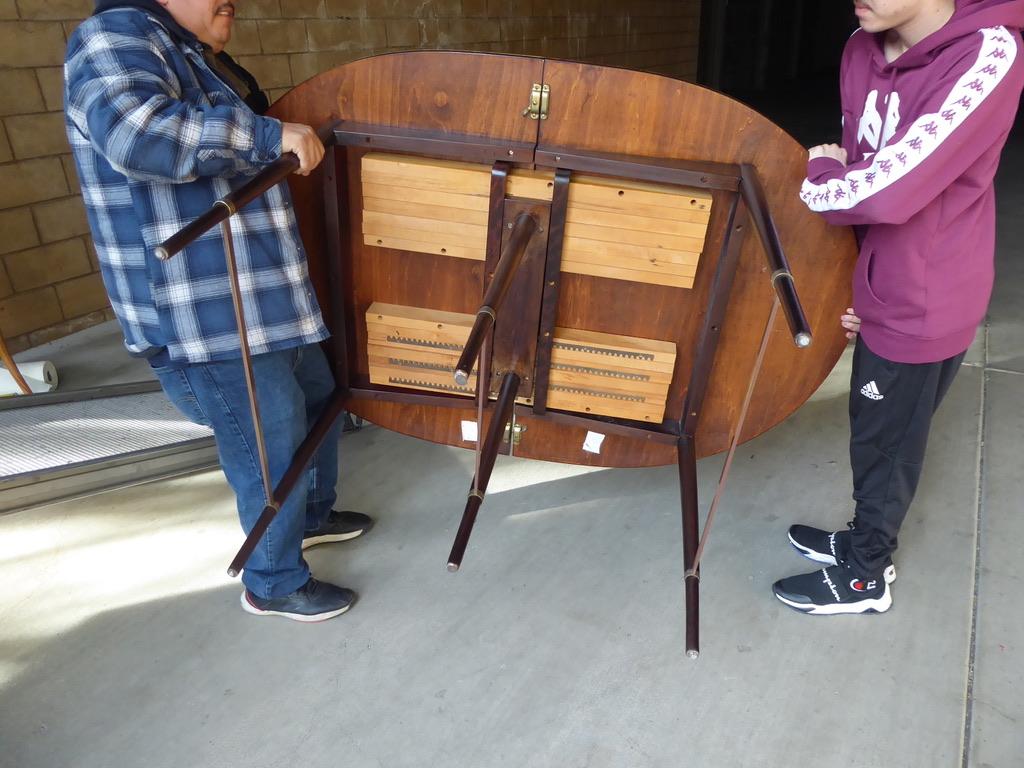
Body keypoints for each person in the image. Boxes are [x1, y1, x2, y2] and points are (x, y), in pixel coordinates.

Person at [64, 0, 372, 622]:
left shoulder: (181, 48)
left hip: (258, 296)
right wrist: (263, 134)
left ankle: (308, 515)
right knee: (267, 438)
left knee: (318, 397)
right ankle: (273, 580)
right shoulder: (110, 38)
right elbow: (138, 134)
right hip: (201, 309)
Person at [773, 0, 1024, 614]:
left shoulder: (987, 55)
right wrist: (859, 284)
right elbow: (869, 165)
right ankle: (861, 539)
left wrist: (822, 175)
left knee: (889, 447)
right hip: (886, 288)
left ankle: (866, 575)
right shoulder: (863, 45)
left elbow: (888, 190)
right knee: (873, 431)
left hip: (929, 297)